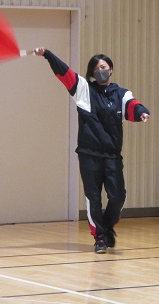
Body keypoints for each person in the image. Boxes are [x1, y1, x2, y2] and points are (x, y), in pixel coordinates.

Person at [35, 47, 150, 254]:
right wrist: (48, 54)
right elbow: (64, 72)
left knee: (118, 196)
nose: (100, 71)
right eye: (96, 69)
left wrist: (141, 112)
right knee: (93, 197)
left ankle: (107, 227)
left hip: (112, 154)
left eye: (103, 67)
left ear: (111, 69)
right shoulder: (83, 89)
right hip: (89, 153)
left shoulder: (121, 94)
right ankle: (100, 238)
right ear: (92, 73)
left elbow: (132, 105)